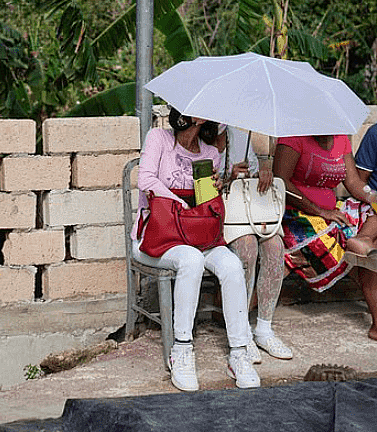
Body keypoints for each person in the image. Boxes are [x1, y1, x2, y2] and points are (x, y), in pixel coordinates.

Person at [132, 108, 260, 391]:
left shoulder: (210, 154)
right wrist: (181, 202)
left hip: (195, 234)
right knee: (191, 260)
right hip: (158, 235)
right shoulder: (158, 138)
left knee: (230, 264)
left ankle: (239, 352)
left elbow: (206, 206)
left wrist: (215, 187)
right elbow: (145, 181)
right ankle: (181, 348)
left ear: (201, 119)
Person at [275, 134, 377, 340]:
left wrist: (373, 196)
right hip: (296, 215)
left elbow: (354, 182)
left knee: (371, 216)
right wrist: (319, 211)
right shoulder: (293, 138)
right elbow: (281, 182)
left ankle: (362, 240)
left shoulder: (340, 138)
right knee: (354, 253)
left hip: (332, 212)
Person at [217, 125, 292, 363]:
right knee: (247, 247)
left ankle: (264, 328)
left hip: (247, 211)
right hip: (218, 215)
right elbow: (196, 185)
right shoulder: (200, 141)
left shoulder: (239, 135)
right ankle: (242, 331)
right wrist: (227, 176)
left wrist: (262, 173)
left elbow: (249, 178)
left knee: (275, 245)